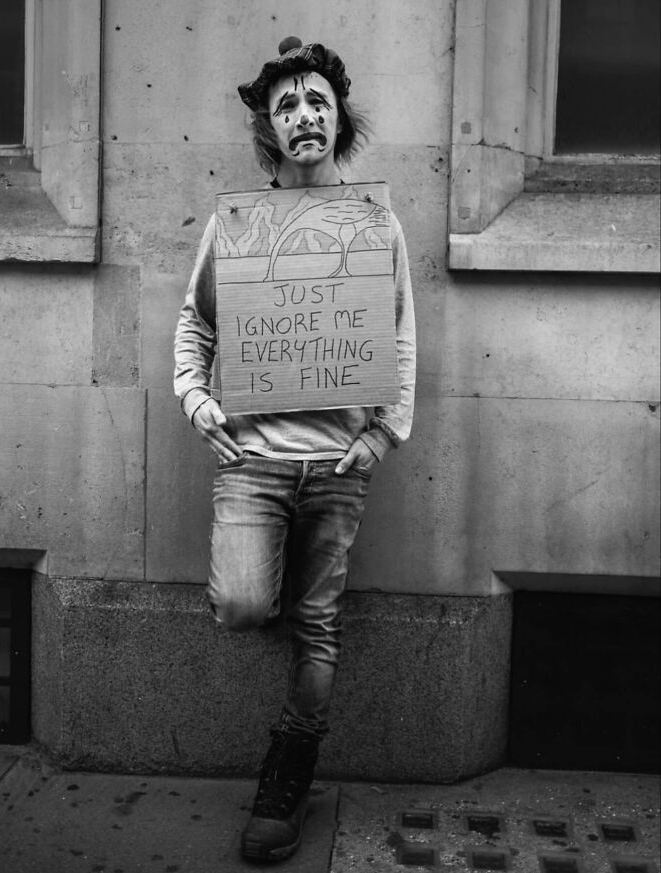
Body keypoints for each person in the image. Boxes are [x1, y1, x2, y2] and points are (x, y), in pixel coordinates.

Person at [174, 36, 416, 862]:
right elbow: (195, 323)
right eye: (287, 106)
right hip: (255, 459)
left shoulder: (375, 222)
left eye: (318, 102)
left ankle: (290, 768)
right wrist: (196, 397)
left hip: (340, 463)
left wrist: (383, 433)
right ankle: (268, 567)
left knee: (318, 627)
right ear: (269, 130)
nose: (304, 115)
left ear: (339, 119)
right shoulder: (237, 224)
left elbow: (401, 333)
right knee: (243, 604)